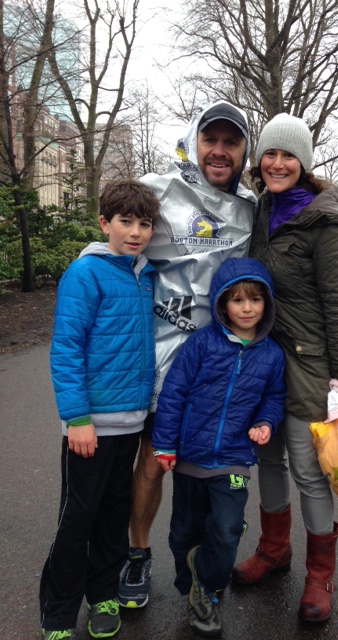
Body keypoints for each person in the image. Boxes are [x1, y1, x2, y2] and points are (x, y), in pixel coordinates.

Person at [117, 101, 256, 609]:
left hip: (219, 364)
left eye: (231, 142)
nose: (219, 151)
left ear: (244, 150)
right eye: (211, 140)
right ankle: (137, 556)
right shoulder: (160, 189)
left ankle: (201, 572)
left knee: (211, 473)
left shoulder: (250, 208)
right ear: (195, 141)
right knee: (153, 462)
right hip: (160, 354)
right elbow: (118, 231)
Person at [231, 114, 338, 623]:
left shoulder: (325, 221)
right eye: (270, 154)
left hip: (309, 366)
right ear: (259, 160)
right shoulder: (261, 209)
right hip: (262, 361)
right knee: (267, 459)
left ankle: (319, 576)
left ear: (304, 162)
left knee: (309, 472)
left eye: (288, 156)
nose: (278, 163)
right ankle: (274, 550)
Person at [39, 179, 158, 640]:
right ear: (104, 223)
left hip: (130, 421)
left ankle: (103, 593)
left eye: (144, 224)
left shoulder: (143, 273)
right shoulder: (85, 273)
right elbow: (67, 348)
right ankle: (58, 613)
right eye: (125, 221)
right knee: (78, 518)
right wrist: (79, 419)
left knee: (114, 512)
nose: (135, 232)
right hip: (90, 427)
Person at [152, 257, 285, 637]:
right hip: (190, 456)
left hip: (233, 460)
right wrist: (164, 444)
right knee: (184, 532)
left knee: (227, 529)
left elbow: (273, 398)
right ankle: (196, 580)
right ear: (222, 304)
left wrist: (264, 423)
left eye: (256, 300)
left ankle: (207, 587)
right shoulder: (201, 344)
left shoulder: (272, 354)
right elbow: (174, 393)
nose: (247, 308)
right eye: (238, 300)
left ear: (267, 304)